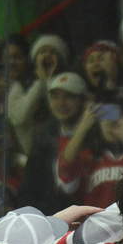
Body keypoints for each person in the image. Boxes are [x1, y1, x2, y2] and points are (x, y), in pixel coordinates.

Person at [20, 72, 89, 213]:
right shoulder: (42, 138)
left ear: (83, 101)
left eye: (68, 97)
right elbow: (29, 188)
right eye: (55, 97)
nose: (61, 103)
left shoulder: (96, 137)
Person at [7, 34, 68, 155]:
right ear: (34, 59)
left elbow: (60, 112)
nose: (47, 55)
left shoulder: (69, 81)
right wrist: (41, 82)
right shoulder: (20, 85)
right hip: (33, 155)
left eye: (52, 52)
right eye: (43, 52)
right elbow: (19, 118)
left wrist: (49, 81)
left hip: (62, 149)